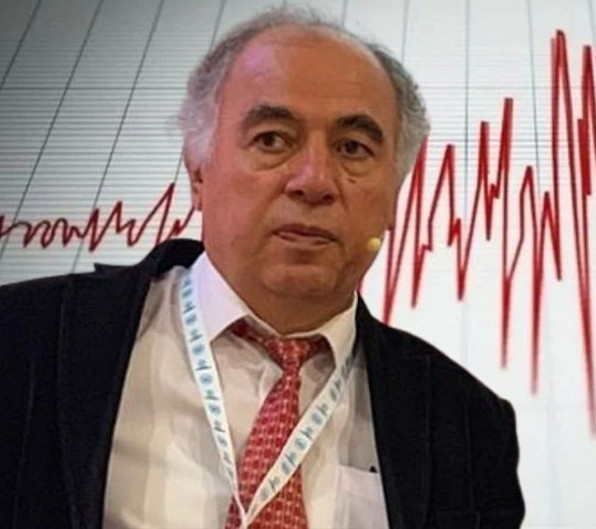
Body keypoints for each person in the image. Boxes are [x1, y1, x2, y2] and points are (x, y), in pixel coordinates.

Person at [0, 7, 524, 529]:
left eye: (353, 148)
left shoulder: (467, 423)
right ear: (198, 172)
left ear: (394, 193)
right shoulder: (23, 338)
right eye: (272, 139)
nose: (314, 180)